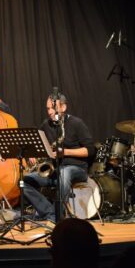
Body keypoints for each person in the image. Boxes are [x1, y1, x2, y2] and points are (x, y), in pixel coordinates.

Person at [22, 92, 95, 222]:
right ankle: (50, 212)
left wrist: (65, 152)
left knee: (64, 172)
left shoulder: (77, 123)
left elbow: (90, 150)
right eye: (48, 108)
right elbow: (38, 144)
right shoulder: (46, 125)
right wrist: (33, 153)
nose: (50, 112)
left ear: (63, 107)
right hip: (56, 170)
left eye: (53, 108)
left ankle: (57, 217)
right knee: (24, 181)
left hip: (76, 169)